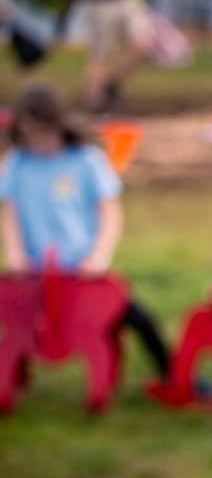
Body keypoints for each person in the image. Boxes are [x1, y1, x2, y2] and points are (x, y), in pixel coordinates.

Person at [0, 83, 169, 380]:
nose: (38, 142)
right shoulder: (17, 163)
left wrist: (99, 256)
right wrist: (14, 253)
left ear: (60, 125)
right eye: (30, 135)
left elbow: (110, 212)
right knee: (16, 322)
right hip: (33, 273)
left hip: (81, 272)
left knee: (138, 318)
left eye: (44, 133)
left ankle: (174, 375)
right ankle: (14, 378)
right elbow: (9, 212)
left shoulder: (85, 160)